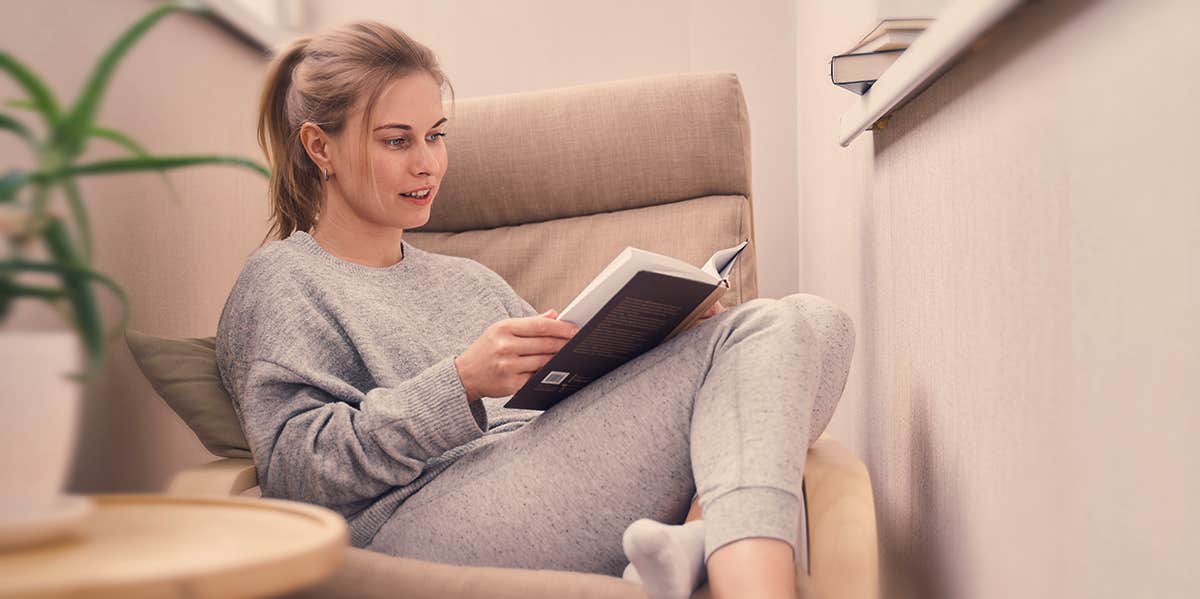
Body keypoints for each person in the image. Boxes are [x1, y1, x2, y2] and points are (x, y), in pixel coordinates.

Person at [215, 21, 852, 599]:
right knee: (770, 330)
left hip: (538, 477)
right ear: (319, 148)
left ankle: (696, 541)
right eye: (396, 141)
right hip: (415, 521)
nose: (427, 163)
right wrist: (459, 383)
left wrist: (660, 337)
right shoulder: (283, 279)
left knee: (818, 323)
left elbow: (563, 404)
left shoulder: (468, 278)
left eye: (435, 136)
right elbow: (297, 472)